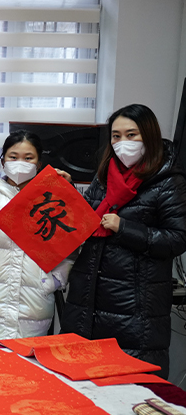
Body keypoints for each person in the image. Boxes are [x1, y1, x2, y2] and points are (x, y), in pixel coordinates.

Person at [62, 104, 186, 378]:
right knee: (80, 382)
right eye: (116, 136)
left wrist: (125, 228)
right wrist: (67, 191)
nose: (123, 143)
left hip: (134, 307)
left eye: (131, 135)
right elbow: (87, 217)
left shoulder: (167, 182)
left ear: (149, 135)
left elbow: (178, 239)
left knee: (128, 384)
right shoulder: (104, 176)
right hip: (88, 299)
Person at [0, 130, 73, 340]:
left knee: (30, 357)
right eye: (13, 157)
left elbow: (71, 246)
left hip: (35, 300)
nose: (20, 163)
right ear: (2, 162)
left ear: (38, 163)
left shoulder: (50, 199)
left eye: (28, 158)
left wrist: (54, 281)